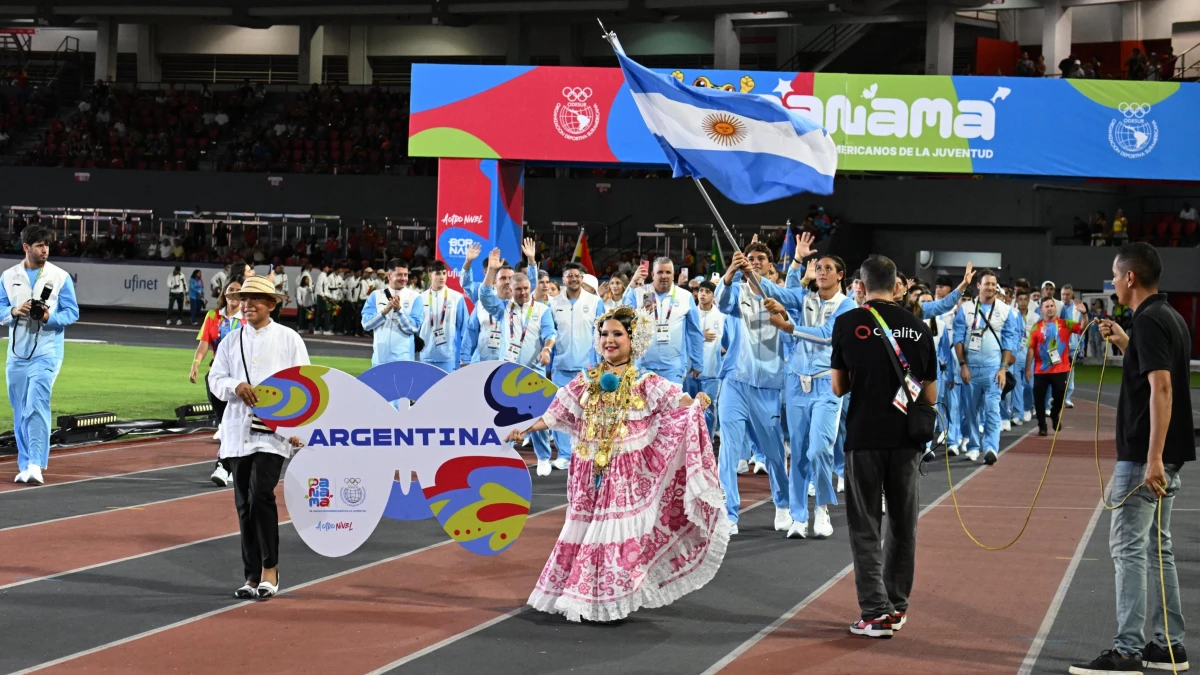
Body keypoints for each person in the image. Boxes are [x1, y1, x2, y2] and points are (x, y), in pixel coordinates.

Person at [506, 305, 728, 623]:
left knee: (610, 530)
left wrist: (697, 403)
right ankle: (577, 596)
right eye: (604, 334)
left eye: (617, 334)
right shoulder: (586, 381)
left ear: (632, 340)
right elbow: (556, 414)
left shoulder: (646, 382)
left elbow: (678, 402)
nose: (609, 340)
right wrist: (524, 429)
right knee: (584, 529)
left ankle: (606, 600)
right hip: (586, 471)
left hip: (624, 475)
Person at [1072, 243, 1195, 674]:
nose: (1111, 282)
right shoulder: (1169, 317)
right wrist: (1125, 341)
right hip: (1166, 451)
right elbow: (1152, 375)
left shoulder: (1149, 322)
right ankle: (1169, 646)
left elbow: (1162, 388)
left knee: (1128, 548)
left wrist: (1153, 458)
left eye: (1114, 274)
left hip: (1146, 455)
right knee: (1157, 549)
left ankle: (1127, 650)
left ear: (1129, 278)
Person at [830, 254, 937, 639]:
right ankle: (896, 605)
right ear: (898, 285)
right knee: (903, 524)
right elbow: (930, 393)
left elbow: (839, 387)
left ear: (860, 284)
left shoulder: (847, 323)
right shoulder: (919, 328)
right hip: (907, 440)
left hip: (864, 437)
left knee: (865, 525)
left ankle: (875, 612)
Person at [208, 275, 309, 600]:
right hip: (238, 430)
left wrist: (299, 428)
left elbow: (305, 384)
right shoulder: (230, 341)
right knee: (243, 504)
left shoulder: (289, 339)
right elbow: (215, 378)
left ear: (272, 304)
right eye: (244, 298)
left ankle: (270, 569)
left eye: (256, 299)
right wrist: (234, 386)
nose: (247, 304)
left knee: (260, 494)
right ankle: (251, 576)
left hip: (274, 432)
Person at [758, 240, 856, 540]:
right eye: (818, 267)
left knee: (818, 449)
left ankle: (822, 509)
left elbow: (828, 336)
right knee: (798, 452)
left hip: (827, 384)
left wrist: (789, 328)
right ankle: (799, 517)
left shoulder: (847, 305)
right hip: (797, 382)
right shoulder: (805, 297)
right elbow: (783, 292)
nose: (822, 272)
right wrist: (798, 260)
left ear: (840, 275)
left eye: (828, 268)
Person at [717, 243, 793, 535]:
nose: (754, 262)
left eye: (760, 259)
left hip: (768, 385)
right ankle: (729, 513)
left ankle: (783, 504)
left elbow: (793, 332)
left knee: (773, 452)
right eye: (749, 258)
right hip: (735, 381)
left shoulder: (779, 295)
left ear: (770, 266)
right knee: (729, 449)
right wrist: (730, 273)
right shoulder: (736, 292)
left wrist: (784, 315)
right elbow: (722, 303)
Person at [1, 224, 81, 485]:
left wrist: (49, 317)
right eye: (39, 245)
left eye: (47, 245)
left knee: (36, 404)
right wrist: (13, 312)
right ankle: (24, 464)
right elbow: (1, 307)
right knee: (20, 410)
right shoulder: (8, 276)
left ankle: (36, 463)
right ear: (26, 247)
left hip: (47, 352)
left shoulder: (60, 276)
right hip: (16, 354)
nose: (45, 249)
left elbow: (72, 312)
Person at [478, 249, 558, 476]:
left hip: (534, 372)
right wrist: (492, 270)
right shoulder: (503, 308)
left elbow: (550, 332)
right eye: (518, 289)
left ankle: (543, 457)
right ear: (509, 290)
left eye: (526, 288)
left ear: (530, 288)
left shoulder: (541, 309)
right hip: (509, 372)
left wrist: (546, 349)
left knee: (538, 415)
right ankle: (506, 455)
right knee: (506, 416)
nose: (523, 292)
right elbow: (484, 294)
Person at [952, 269, 1023, 465]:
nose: (990, 287)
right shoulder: (966, 309)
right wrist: (963, 365)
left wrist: (1003, 368)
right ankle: (974, 446)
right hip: (971, 369)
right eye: (987, 283)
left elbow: (1009, 340)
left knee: (993, 409)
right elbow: (957, 338)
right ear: (978, 285)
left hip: (993, 369)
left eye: (993, 284)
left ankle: (991, 447)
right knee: (971, 410)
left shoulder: (1005, 310)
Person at [547, 262, 606, 470]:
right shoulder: (553, 303)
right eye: (569, 276)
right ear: (563, 279)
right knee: (561, 411)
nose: (573, 279)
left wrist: (601, 364)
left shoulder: (595, 301)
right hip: (560, 366)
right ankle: (564, 454)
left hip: (587, 367)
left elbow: (601, 334)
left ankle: (584, 452)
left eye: (577, 276)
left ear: (582, 278)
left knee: (586, 412)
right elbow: (549, 334)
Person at [190, 276, 244, 486]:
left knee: (230, 423)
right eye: (230, 290)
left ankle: (224, 466)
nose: (234, 294)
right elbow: (205, 342)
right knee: (226, 422)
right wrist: (196, 363)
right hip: (217, 378)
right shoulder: (213, 316)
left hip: (239, 379)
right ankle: (230, 465)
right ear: (224, 293)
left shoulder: (247, 319)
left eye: (238, 291)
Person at [621, 257, 704, 385]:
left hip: (673, 367)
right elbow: (621, 316)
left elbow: (694, 332)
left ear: (673, 275)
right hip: (642, 366)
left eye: (668, 272)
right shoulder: (638, 293)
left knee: (671, 404)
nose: (664, 276)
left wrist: (697, 361)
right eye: (660, 272)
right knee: (643, 405)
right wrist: (632, 283)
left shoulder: (685, 296)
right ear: (653, 275)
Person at [1026, 296, 1087, 436]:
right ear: (1041, 309)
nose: (1050, 309)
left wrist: (1084, 313)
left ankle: (1054, 414)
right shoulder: (1036, 327)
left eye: (1052, 306)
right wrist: (1028, 368)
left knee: (1060, 396)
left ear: (1056, 308)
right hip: (1040, 370)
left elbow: (1083, 327)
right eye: (1046, 306)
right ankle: (1042, 425)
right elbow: (1030, 348)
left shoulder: (1066, 324)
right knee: (1039, 399)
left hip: (1060, 369)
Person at [361, 259, 425, 367]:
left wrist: (399, 311)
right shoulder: (375, 295)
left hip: (404, 361)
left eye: (405, 274)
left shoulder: (415, 297)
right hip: (379, 360)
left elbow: (414, 328)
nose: (404, 278)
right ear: (389, 275)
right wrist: (384, 312)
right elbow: (366, 324)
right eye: (399, 275)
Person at [416, 260, 467, 372]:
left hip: (448, 357)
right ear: (430, 276)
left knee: (448, 389)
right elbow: (415, 328)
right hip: (425, 356)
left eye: (444, 273)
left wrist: (464, 356)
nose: (442, 277)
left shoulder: (456, 298)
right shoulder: (420, 298)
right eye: (438, 273)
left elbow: (465, 330)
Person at [693, 281, 726, 445]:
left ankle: (707, 442)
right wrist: (700, 336)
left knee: (709, 409)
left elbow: (728, 340)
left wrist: (724, 347)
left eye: (707, 291)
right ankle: (690, 443)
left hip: (712, 372)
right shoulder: (690, 314)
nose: (703, 294)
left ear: (713, 296)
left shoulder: (721, 316)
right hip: (690, 372)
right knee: (688, 409)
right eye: (700, 291)